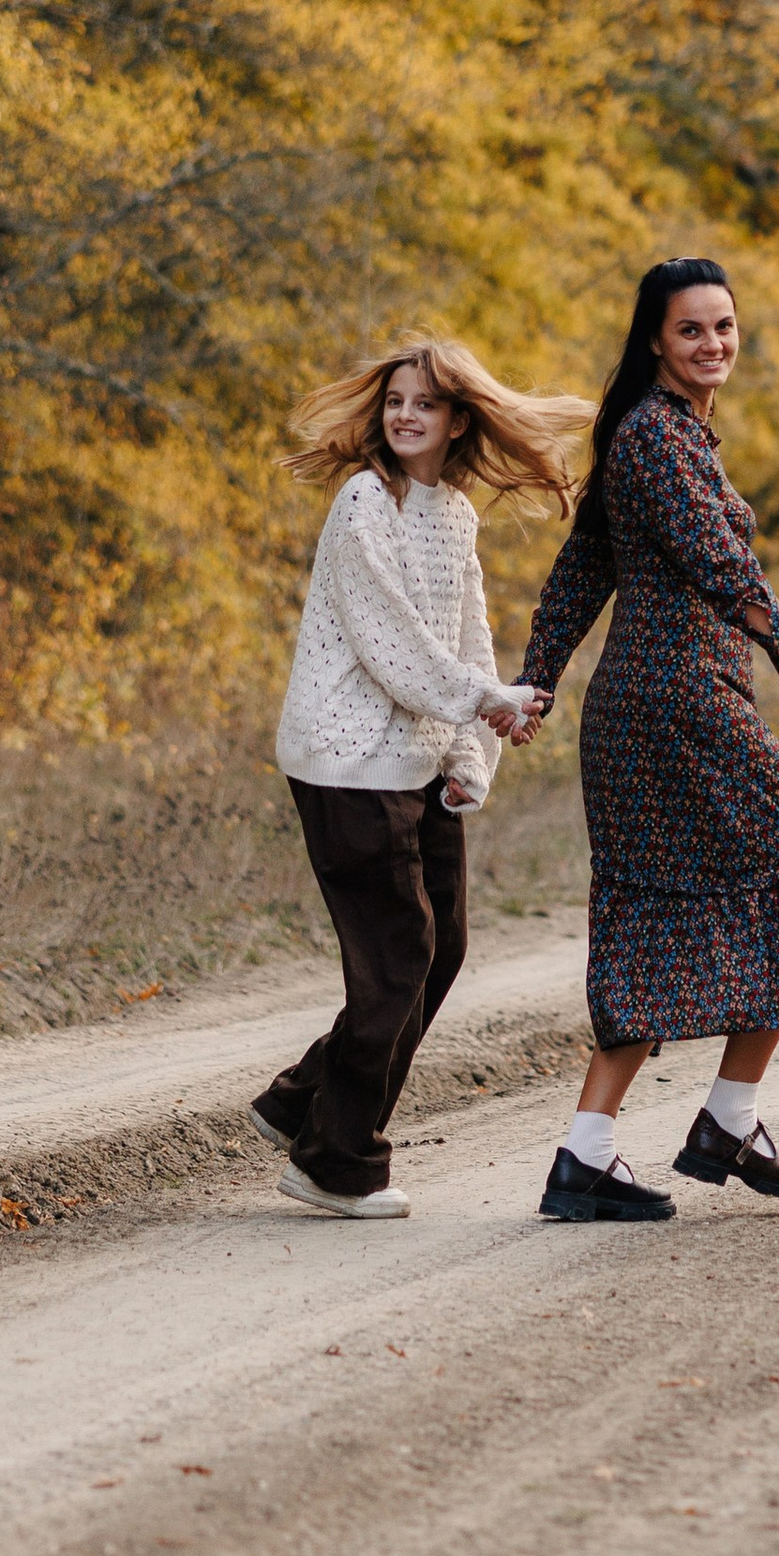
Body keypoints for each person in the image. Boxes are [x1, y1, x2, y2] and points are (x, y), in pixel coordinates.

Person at [512, 257, 779, 1224]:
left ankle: (588, 1155)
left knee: (659, 913)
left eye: (724, 326)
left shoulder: (657, 435)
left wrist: (539, 681)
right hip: (683, 706)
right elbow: (721, 570)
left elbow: (581, 569)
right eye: (691, 330)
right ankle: (726, 1120)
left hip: (645, 710)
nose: (713, 344)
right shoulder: (657, 441)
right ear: (655, 342)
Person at [255, 337, 580, 1219]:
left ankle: (302, 1103)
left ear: (457, 420)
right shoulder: (365, 500)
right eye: (396, 400)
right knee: (399, 960)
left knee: (446, 948)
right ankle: (335, 1162)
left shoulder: (454, 512)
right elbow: (391, 642)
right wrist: (485, 698)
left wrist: (478, 747)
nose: (405, 415)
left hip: (421, 757)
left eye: (424, 404)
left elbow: (468, 632)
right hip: (348, 760)